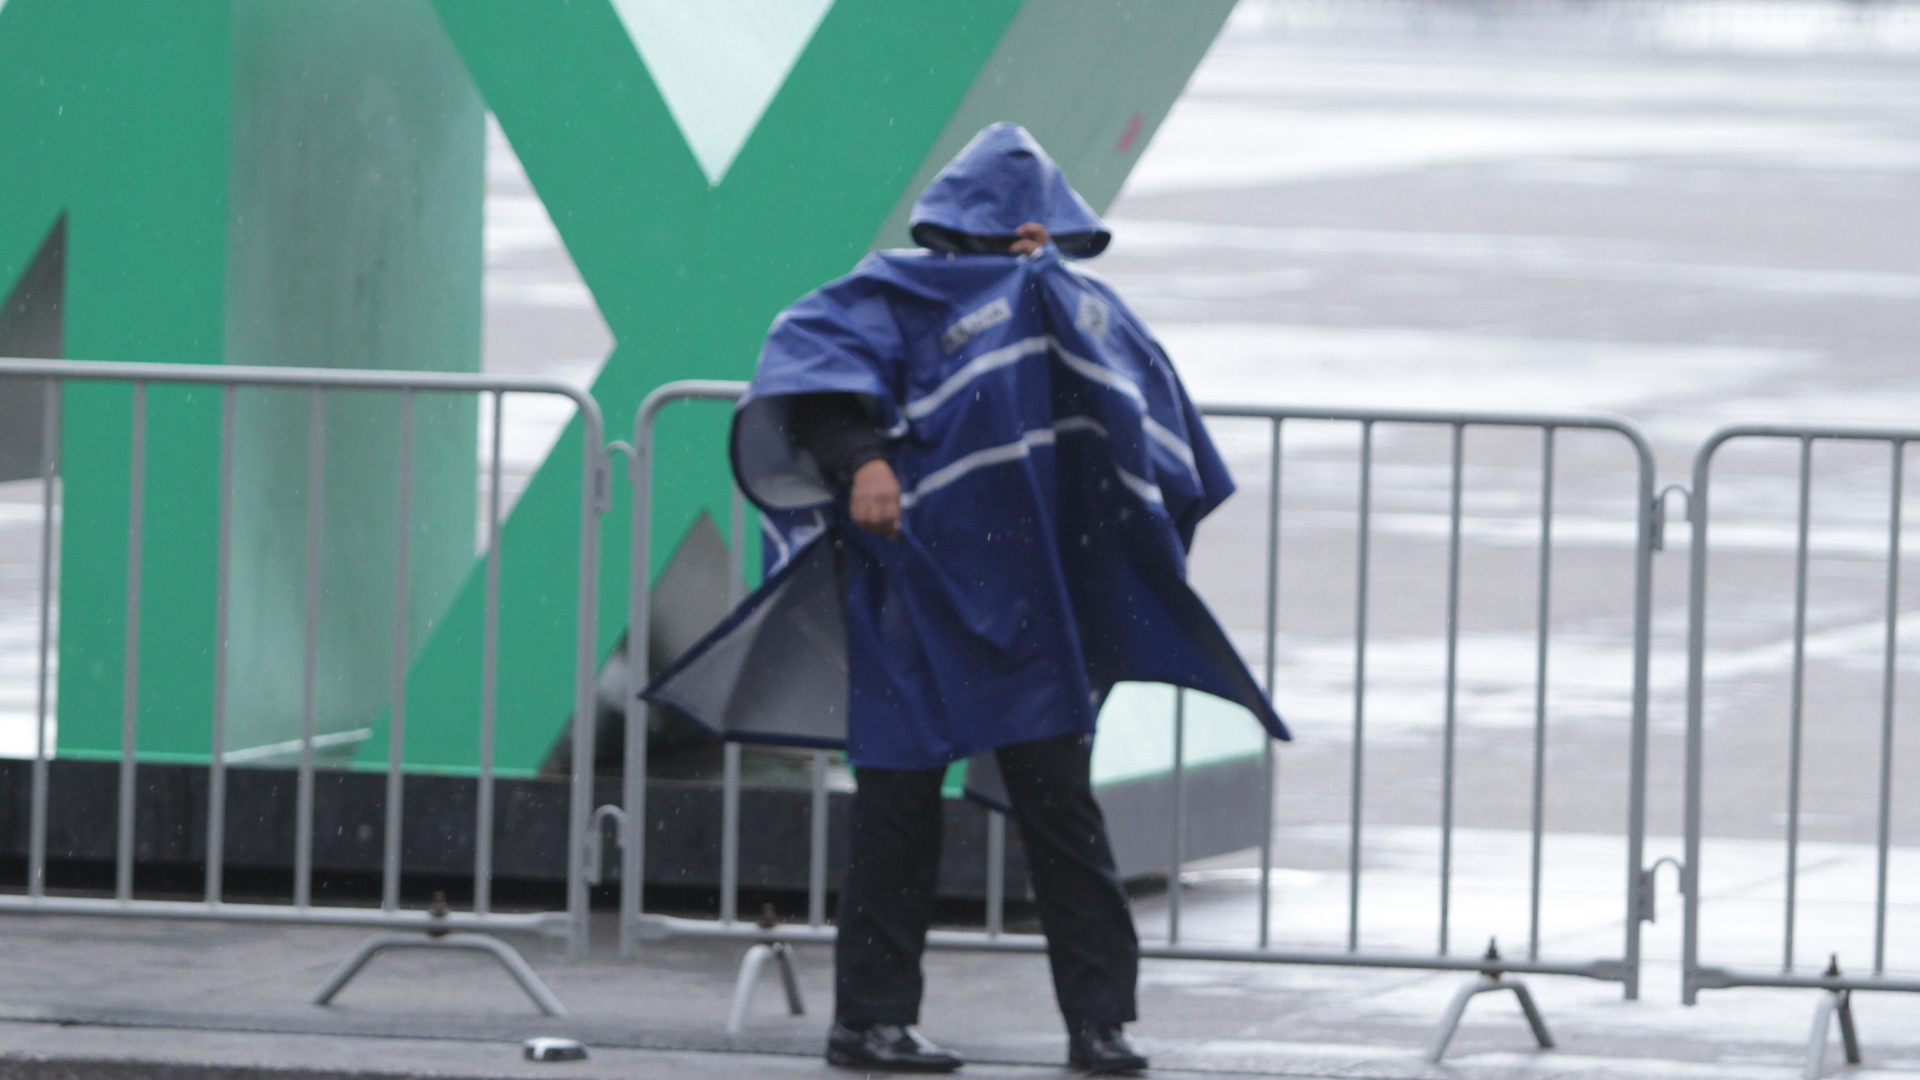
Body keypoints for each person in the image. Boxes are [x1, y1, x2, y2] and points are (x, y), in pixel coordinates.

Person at [645, 123, 1288, 1075]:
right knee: (900, 813)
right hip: (915, 594)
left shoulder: (1070, 307)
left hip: (1033, 610)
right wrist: (861, 458)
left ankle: (1099, 1025)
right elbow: (814, 384)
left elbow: (1143, 420)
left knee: (1061, 815)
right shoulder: (894, 292)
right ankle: (869, 1023)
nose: (1035, 246)